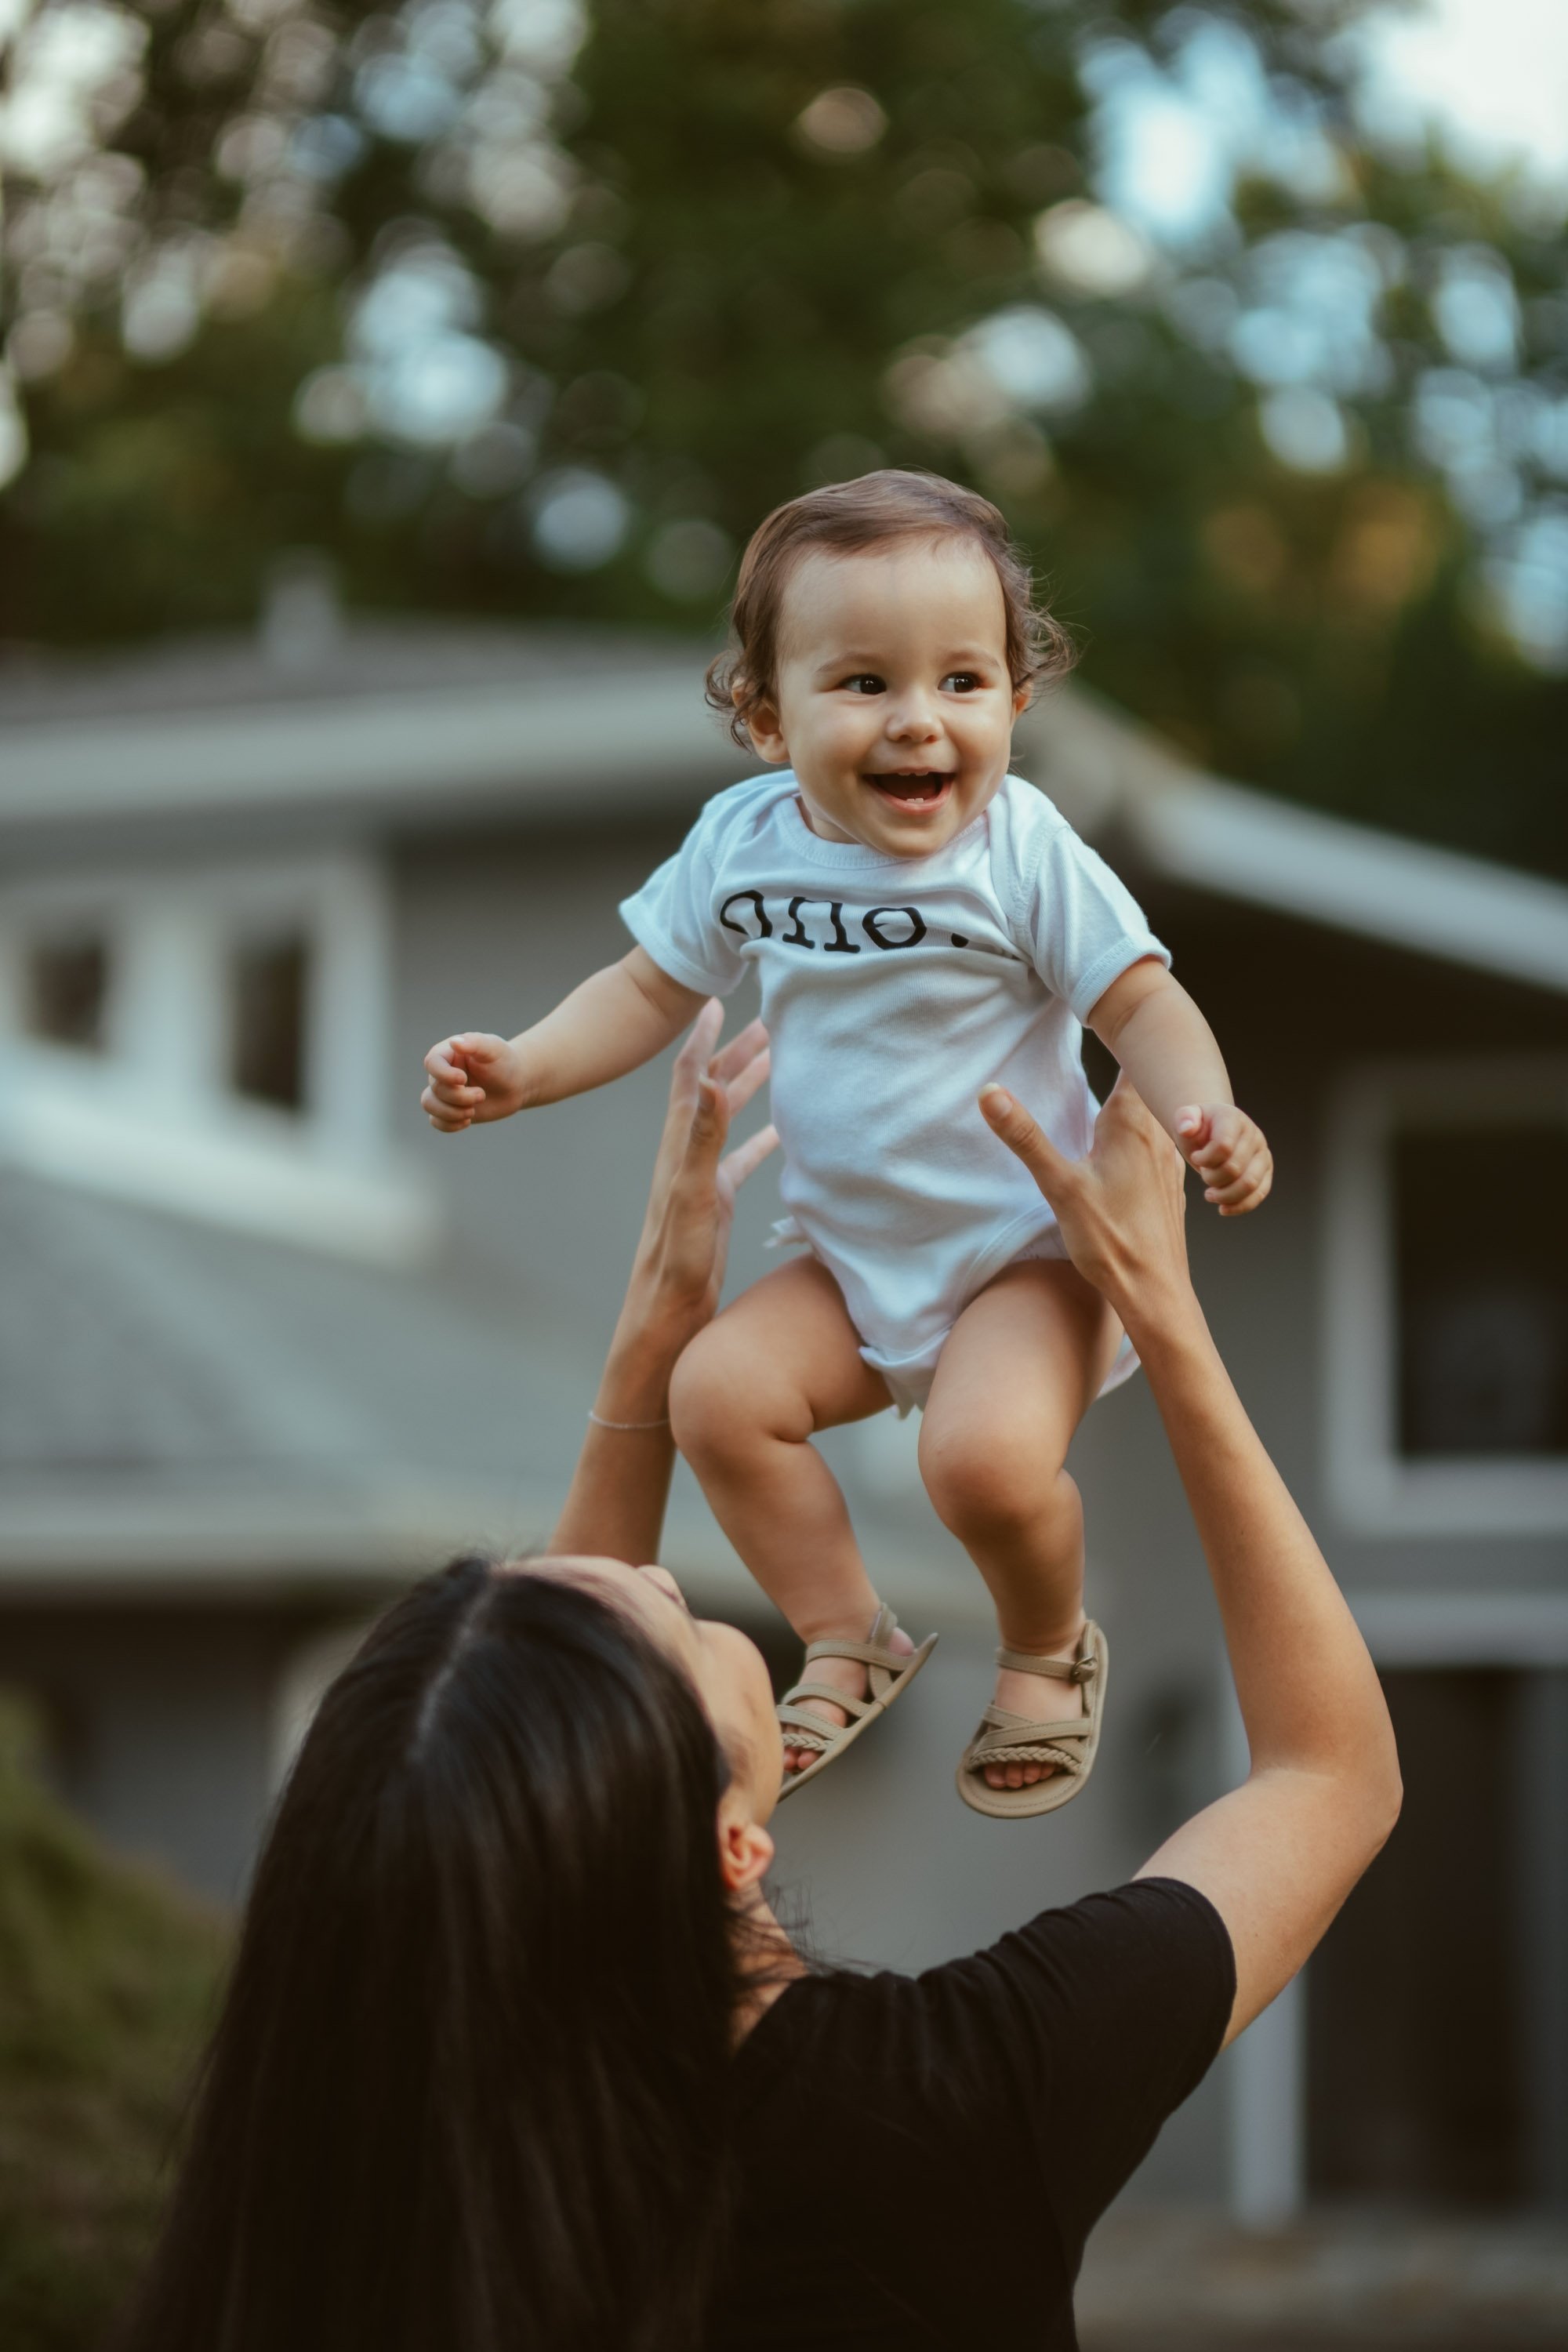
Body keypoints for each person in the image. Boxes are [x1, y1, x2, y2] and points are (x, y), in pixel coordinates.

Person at [121, 1001, 1399, 2352]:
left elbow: (548, 1764)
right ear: (731, 1843)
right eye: (654, 1622)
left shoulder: (368, 2185)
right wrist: (1163, 1310)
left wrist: (655, 1344)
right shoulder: (961, 2101)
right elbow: (1331, 1773)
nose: (657, 1571)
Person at [419, 471, 1275, 1816]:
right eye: (864, 684)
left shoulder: (1021, 852)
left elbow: (1142, 1000)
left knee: (979, 1466)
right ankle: (846, 1632)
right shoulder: (743, 846)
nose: (919, 722)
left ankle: (1049, 1648)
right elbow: (648, 989)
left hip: (1020, 1253)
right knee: (713, 1395)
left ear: (1016, 700)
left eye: (963, 681)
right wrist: (525, 1067)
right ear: (768, 717)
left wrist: (1201, 1116)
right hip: (852, 1255)